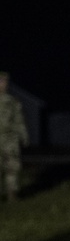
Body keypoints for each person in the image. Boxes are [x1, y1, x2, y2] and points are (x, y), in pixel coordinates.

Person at [0, 71, 29, 202]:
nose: (3, 84)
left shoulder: (13, 102)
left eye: (5, 81)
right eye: (0, 81)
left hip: (10, 139)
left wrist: (24, 135)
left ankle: (12, 194)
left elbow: (19, 120)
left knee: (12, 166)